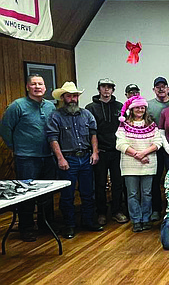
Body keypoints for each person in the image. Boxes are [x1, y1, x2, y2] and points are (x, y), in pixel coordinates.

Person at [1, 74, 57, 242]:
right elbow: (5, 129)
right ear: (27, 87)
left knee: (47, 192)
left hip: (48, 156)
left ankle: (45, 224)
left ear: (46, 88)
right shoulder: (17, 106)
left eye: (40, 84)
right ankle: (26, 227)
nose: (37, 87)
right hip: (26, 158)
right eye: (34, 84)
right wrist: (15, 147)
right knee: (26, 193)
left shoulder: (50, 107)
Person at [47, 82, 102, 239]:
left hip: (85, 157)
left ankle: (88, 221)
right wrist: (60, 158)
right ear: (63, 97)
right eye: (69, 96)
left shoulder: (86, 114)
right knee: (67, 195)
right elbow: (53, 139)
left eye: (75, 96)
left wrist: (95, 152)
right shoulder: (55, 116)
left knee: (87, 192)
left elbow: (93, 135)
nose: (73, 99)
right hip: (67, 158)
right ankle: (69, 225)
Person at [116, 95, 162, 232]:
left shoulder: (151, 124)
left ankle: (146, 219)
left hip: (148, 163)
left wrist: (143, 153)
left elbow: (158, 142)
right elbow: (120, 144)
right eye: (137, 107)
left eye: (142, 107)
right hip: (130, 165)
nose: (140, 109)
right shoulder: (124, 125)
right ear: (131, 109)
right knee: (132, 194)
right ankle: (136, 220)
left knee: (147, 193)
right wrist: (137, 155)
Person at [84, 78, 127, 226]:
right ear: (99, 89)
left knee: (118, 183)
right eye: (103, 87)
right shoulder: (90, 108)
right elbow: (90, 131)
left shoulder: (120, 106)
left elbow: (125, 128)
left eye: (109, 87)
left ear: (113, 90)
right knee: (100, 183)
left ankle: (116, 211)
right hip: (100, 151)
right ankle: (101, 212)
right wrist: (94, 151)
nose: (106, 90)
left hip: (117, 152)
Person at [147, 76, 169, 221]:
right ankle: (156, 209)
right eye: (158, 87)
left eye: (164, 86)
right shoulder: (148, 105)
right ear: (154, 89)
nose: (161, 89)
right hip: (155, 148)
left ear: (168, 89)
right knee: (155, 179)